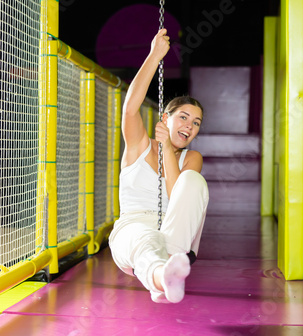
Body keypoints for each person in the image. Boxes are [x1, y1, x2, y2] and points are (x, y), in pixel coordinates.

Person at [108, 28, 209, 304]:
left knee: (194, 182)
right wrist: (155, 55)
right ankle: (163, 276)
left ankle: (167, 271)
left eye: (196, 123)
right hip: (133, 228)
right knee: (145, 240)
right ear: (166, 118)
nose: (189, 125)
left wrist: (166, 148)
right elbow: (130, 109)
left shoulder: (191, 158)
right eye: (184, 117)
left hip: (174, 237)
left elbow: (179, 195)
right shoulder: (140, 144)